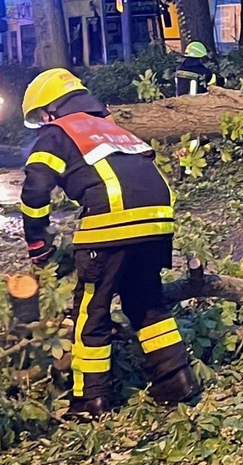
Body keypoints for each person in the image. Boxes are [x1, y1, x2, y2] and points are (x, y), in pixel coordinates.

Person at [19, 68, 200, 418]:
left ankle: (91, 400)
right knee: (146, 301)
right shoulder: (112, 128)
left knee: (92, 311)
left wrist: (38, 242)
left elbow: (35, 190)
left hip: (112, 220)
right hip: (159, 219)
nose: (42, 124)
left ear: (50, 110)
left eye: (41, 117)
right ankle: (175, 380)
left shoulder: (57, 132)